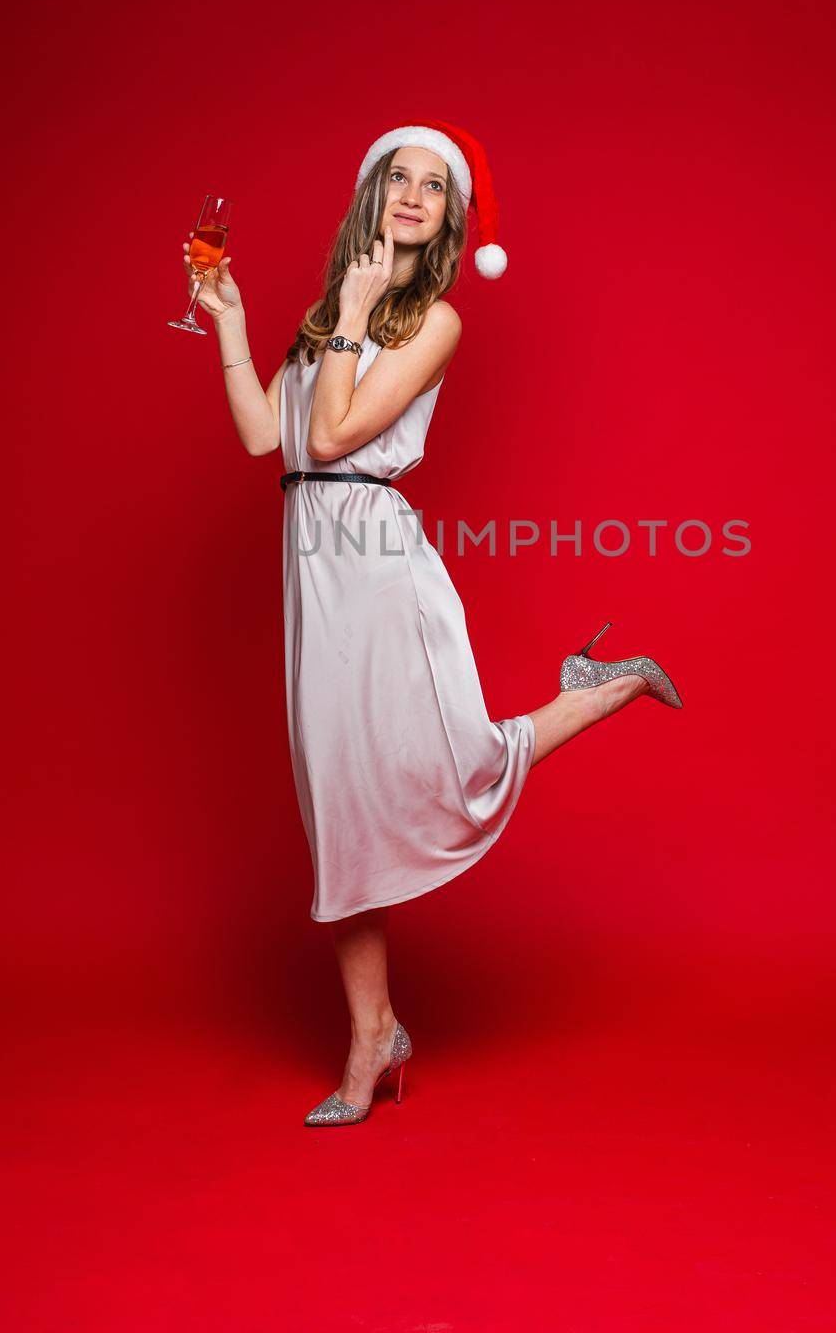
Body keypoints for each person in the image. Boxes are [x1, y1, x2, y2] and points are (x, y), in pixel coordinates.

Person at [180, 120, 683, 1126]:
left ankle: (598, 689)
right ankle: (374, 1034)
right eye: (395, 176)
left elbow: (331, 434)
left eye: (433, 185)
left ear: (451, 218)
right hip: (311, 564)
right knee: (340, 803)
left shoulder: (432, 320)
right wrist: (231, 322)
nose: (411, 193)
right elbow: (259, 434)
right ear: (371, 196)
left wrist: (357, 314)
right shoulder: (336, 308)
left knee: (436, 772)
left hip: (373, 561)